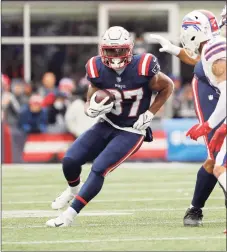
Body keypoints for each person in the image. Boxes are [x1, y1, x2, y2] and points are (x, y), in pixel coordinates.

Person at [46, 26, 174, 227]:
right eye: (110, 50)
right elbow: (93, 92)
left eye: (120, 50)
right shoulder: (96, 67)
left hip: (132, 130)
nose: (115, 55)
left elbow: (168, 86)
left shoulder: (144, 65)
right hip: (108, 123)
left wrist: (150, 113)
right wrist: (91, 108)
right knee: (70, 160)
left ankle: (68, 216)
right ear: (101, 50)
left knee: (98, 169)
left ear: (130, 49)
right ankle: (72, 191)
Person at [150, 9, 226, 226]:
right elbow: (201, 58)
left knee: (219, 157)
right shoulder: (214, 45)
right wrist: (175, 50)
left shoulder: (215, 44)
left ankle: (195, 208)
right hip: (213, 96)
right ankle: (195, 208)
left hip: (218, 95)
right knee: (216, 156)